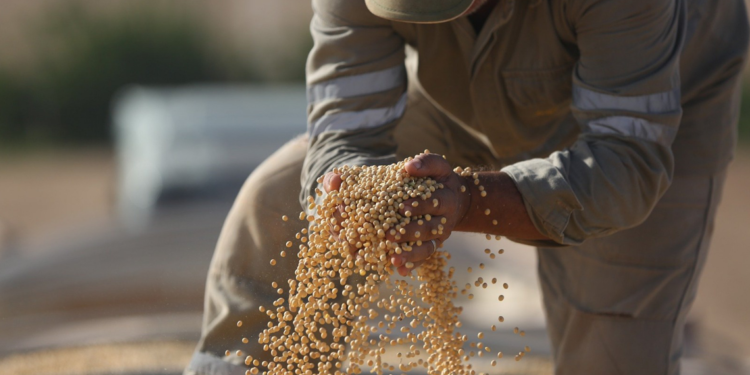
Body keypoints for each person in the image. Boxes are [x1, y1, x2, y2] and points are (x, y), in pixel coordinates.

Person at [184, 0, 749, 374]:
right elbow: (344, 130)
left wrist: (467, 201)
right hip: (463, 90)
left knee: (612, 352)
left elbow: (625, 163)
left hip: (647, 105)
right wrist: (347, 193)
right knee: (279, 201)